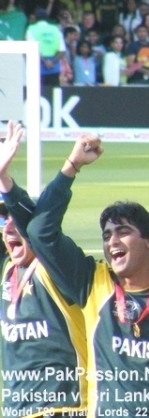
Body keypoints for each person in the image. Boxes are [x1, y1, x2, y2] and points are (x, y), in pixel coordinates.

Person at [18, 135, 149, 416]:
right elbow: (40, 232)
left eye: (123, 231)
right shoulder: (92, 281)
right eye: (107, 235)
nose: (112, 242)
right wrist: (73, 165)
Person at [0, 122, 88, 416]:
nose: (9, 226)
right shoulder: (6, 271)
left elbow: (41, 229)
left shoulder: (57, 268)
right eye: (3, 220)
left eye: (15, 220)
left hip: (62, 407)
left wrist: (71, 166)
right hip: (15, 409)